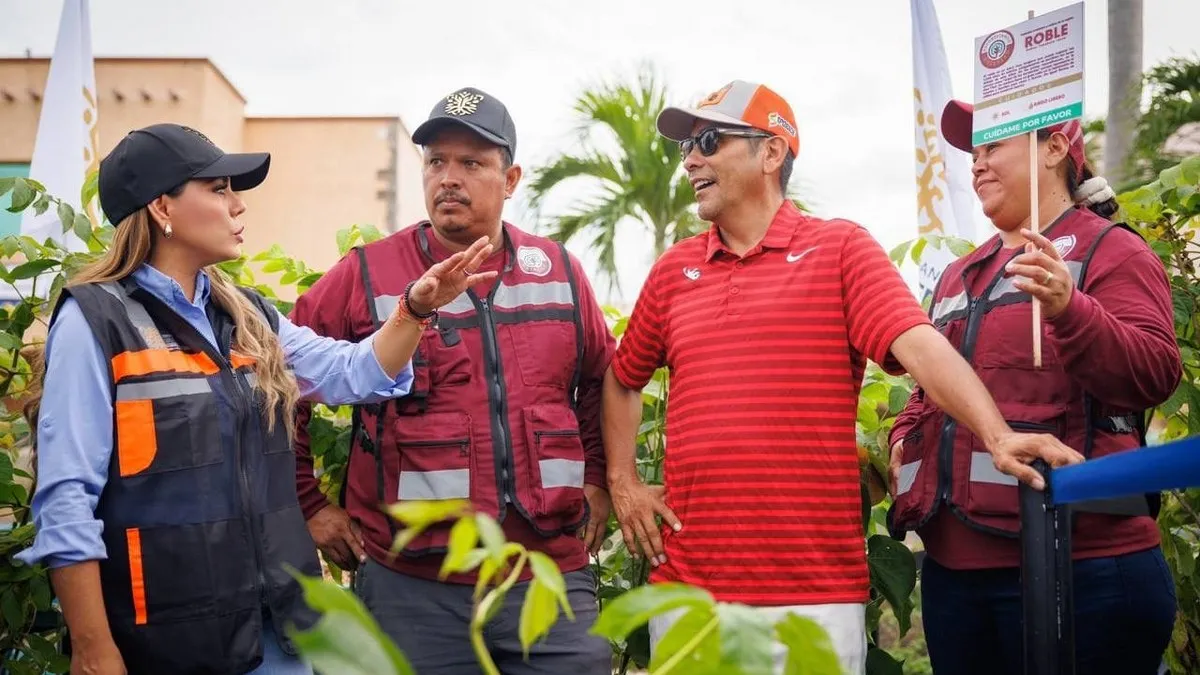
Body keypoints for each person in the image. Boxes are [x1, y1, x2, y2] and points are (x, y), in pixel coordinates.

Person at [601, 80, 1085, 674]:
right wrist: (622, 479)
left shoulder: (839, 250)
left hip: (812, 600)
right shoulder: (674, 271)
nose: (692, 159)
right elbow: (623, 377)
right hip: (688, 596)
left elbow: (920, 345)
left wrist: (996, 433)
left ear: (771, 153)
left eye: (709, 141)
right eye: (687, 148)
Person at [16, 123, 494, 675]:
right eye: (218, 189)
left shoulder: (249, 316)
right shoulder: (96, 320)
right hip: (166, 642)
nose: (237, 205)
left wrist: (413, 310)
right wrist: (94, 648)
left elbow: (352, 373)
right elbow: (66, 497)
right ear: (161, 207)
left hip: (278, 637)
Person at [290, 87, 616, 675]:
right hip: (413, 586)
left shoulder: (560, 271)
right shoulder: (366, 274)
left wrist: (599, 476)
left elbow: (600, 381)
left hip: (548, 575)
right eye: (436, 161)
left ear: (510, 178)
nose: (449, 178)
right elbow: (278, 380)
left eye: (472, 163)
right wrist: (308, 502)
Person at [887, 101, 1181, 675]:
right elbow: (930, 385)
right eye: (973, 152)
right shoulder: (957, 273)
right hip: (954, 578)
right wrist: (905, 431)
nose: (976, 164)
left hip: (1085, 569)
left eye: (993, 146)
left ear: (1053, 149)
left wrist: (1071, 310)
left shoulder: (1111, 249)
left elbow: (1155, 374)